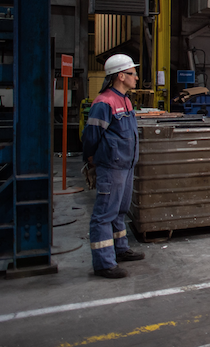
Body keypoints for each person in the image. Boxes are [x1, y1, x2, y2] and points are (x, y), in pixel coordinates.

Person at [82, 54, 145, 279]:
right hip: (112, 166)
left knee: (120, 210)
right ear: (120, 76)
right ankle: (104, 263)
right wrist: (91, 159)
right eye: (132, 73)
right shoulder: (104, 102)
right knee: (104, 214)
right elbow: (91, 136)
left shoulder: (125, 100)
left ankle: (120, 249)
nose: (136, 77)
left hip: (126, 165)